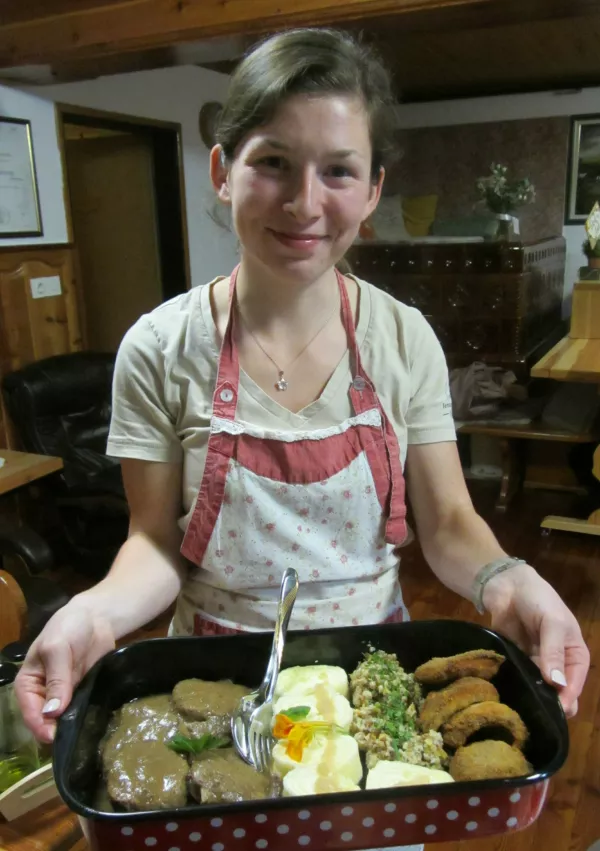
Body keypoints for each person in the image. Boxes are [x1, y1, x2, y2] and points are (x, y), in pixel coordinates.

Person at [17, 24, 587, 772]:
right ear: (223, 170)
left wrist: (507, 577)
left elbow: (448, 522)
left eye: (339, 171)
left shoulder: (402, 339)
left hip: (371, 687)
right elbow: (154, 543)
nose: (304, 203)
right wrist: (89, 611)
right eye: (274, 163)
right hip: (213, 687)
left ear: (375, 187)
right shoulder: (159, 348)